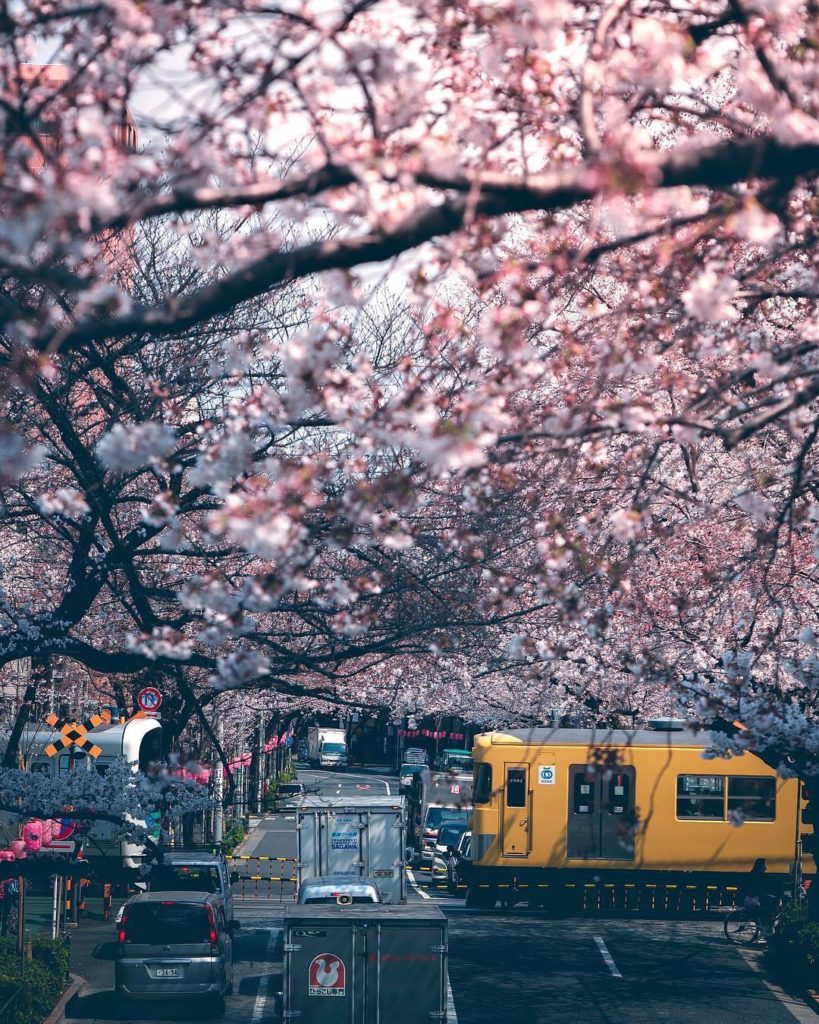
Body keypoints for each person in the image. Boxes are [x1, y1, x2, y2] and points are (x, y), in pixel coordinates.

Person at [739, 858, 780, 936]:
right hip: (755, 897)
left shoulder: (755, 873)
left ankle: (766, 925)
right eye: (765, 864)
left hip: (756, 896)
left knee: (772, 902)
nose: (766, 866)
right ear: (761, 866)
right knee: (774, 901)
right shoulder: (758, 875)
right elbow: (759, 888)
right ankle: (767, 925)